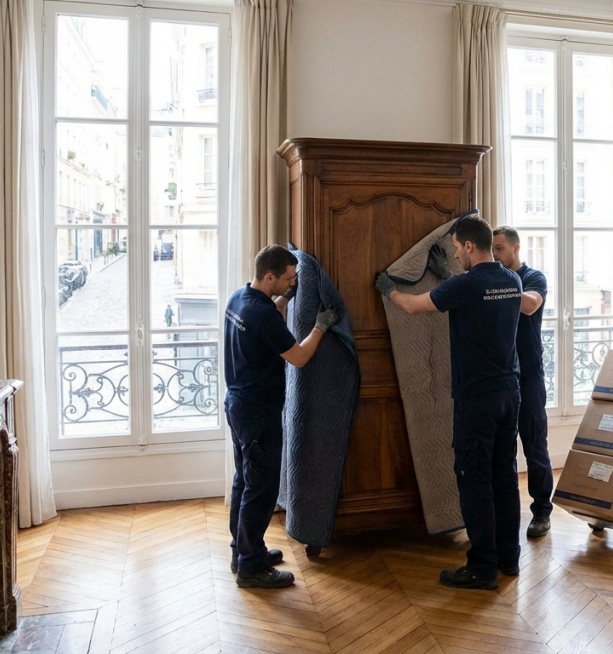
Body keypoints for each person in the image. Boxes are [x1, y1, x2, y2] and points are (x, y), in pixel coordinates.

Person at [375, 214, 523, 590]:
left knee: (474, 481)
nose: (455, 254)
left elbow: (412, 305)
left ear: (469, 246)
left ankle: (482, 568)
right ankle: (509, 557)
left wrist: (388, 289)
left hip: (477, 399)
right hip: (509, 392)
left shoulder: (466, 285)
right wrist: (450, 278)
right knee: (504, 477)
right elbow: (475, 299)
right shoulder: (512, 280)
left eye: (457, 248)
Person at [224, 244, 340, 589]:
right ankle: (251, 568)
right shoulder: (262, 315)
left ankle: (243, 550)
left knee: (244, 481)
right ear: (269, 276)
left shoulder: (240, 298)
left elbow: (268, 317)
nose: (293, 283)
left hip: (238, 405)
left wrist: (286, 298)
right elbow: (299, 357)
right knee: (260, 490)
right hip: (258, 413)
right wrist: (320, 327)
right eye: (288, 279)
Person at [490, 226, 553, 539]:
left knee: (534, 446)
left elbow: (529, 305)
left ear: (515, 248)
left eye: (499, 248)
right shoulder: (492, 278)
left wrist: (498, 286)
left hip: (529, 378)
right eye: (492, 249)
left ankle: (542, 511)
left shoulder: (533, 277)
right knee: (501, 450)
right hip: (501, 378)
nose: (495, 254)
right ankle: (505, 514)